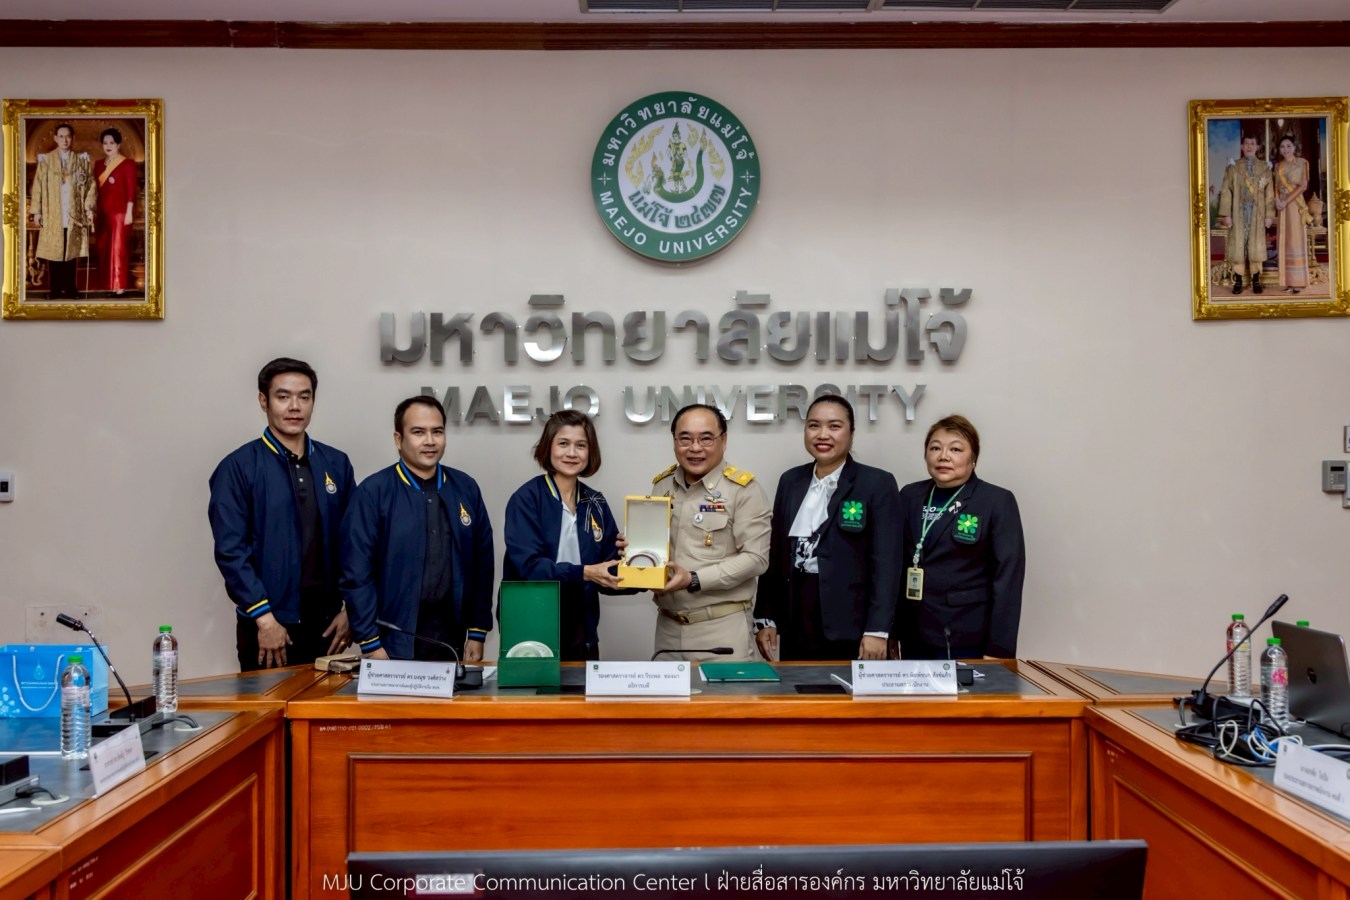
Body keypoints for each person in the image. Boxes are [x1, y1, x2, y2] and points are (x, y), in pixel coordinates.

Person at [209, 358, 355, 671]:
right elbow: (231, 552)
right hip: (270, 625)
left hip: (329, 626)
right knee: (273, 718)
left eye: (304, 397)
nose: (295, 406)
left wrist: (351, 611)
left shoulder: (336, 464)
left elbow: (355, 544)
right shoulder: (238, 468)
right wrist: (264, 620)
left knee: (327, 720)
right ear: (264, 401)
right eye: (283, 396)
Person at [342, 396, 494, 662]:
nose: (430, 441)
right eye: (418, 432)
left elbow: (482, 564)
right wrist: (369, 642)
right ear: (398, 439)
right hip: (391, 643)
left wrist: (478, 632)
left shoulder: (465, 488)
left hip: (452, 640)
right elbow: (356, 572)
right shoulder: (373, 492)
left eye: (437, 431)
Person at [754, 395, 902, 662]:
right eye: (814, 425)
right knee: (799, 697)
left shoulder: (877, 483)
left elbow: (887, 563)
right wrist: (766, 617)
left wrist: (878, 629)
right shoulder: (791, 480)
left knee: (851, 701)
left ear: (851, 433)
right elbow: (775, 553)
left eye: (834, 426)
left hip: (852, 623)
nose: (823, 434)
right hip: (796, 615)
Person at [894, 414, 1025, 660]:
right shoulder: (910, 495)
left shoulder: (996, 501)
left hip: (965, 634)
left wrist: (999, 649)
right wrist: (891, 632)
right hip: (913, 633)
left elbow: (1008, 579)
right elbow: (893, 565)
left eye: (955, 449)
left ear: (973, 458)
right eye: (935, 448)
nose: (943, 456)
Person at [502, 410, 627, 660]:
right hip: (531, 627)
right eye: (563, 444)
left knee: (583, 698)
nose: (572, 453)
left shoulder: (595, 502)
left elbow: (609, 574)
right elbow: (529, 568)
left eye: (581, 445)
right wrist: (585, 572)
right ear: (548, 447)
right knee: (533, 698)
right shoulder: (526, 499)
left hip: (583, 631)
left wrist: (640, 563)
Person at [650, 403, 771, 660]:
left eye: (706, 439)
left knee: (726, 701)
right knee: (666, 702)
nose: (695, 448)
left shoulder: (743, 490)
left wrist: (694, 579)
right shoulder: (661, 486)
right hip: (668, 629)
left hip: (721, 629)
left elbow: (756, 559)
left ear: (723, 440)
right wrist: (637, 552)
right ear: (674, 441)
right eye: (685, 439)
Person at [28, 122, 95, 300]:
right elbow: (38, 187)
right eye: (61, 136)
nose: (65, 140)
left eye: (68, 136)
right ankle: (56, 289)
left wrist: (89, 207)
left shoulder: (82, 160)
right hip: (53, 213)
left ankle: (71, 288)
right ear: (56, 138)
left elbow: (90, 186)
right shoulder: (46, 161)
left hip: (74, 214)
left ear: (72, 138)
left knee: (71, 253)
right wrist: (37, 212)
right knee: (55, 253)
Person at [1217, 134, 1275, 296]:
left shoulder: (1265, 168)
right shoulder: (1233, 167)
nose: (1249, 146)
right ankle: (1238, 280)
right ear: (1242, 147)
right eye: (1246, 143)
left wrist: (1269, 215)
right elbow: (1226, 191)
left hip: (1258, 213)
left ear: (1257, 147)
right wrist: (1226, 214)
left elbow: (1269, 194)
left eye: (1253, 143)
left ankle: (1256, 280)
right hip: (1238, 212)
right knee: (1238, 246)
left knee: (1255, 246)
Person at [93, 127, 138, 295]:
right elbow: (95, 190)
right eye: (105, 143)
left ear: (118, 144)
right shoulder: (98, 165)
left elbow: (131, 190)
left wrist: (129, 213)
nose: (108, 145)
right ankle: (107, 284)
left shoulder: (128, 164)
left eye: (112, 142)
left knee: (118, 250)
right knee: (103, 250)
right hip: (102, 213)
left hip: (120, 214)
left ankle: (119, 286)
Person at [1274, 135, 1311, 295]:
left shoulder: (1302, 163)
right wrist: (1277, 202)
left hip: (1295, 205)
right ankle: (1287, 281)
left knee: (1295, 240)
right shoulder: (1278, 166)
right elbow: (1275, 187)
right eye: (1282, 146)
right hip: (1282, 206)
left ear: (1294, 147)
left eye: (1288, 146)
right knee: (1284, 241)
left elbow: (1303, 186)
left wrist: (1286, 201)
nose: (1285, 149)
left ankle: (1298, 282)